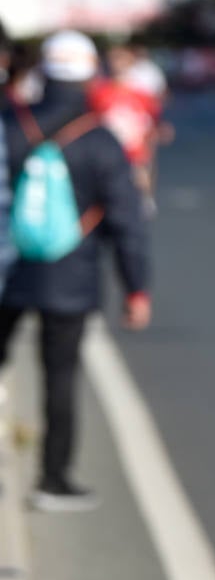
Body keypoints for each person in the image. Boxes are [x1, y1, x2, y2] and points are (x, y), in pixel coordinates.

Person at [0, 30, 150, 512]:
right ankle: (54, 479)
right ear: (91, 75)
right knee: (60, 377)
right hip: (71, 274)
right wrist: (136, 287)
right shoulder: (100, 138)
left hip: (8, 268)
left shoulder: (9, 125)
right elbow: (127, 219)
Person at [89, 44, 165, 216]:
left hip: (135, 147)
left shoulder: (141, 94)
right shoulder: (98, 93)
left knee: (140, 177)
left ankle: (144, 199)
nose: (117, 64)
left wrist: (154, 133)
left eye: (121, 60)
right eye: (113, 60)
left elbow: (153, 117)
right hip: (106, 147)